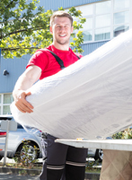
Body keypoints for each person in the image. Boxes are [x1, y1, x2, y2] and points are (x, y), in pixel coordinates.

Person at [13, 10, 88, 179]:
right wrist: (18, 92)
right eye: (58, 26)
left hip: (79, 127)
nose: (62, 29)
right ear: (51, 29)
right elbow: (28, 77)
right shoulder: (43, 56)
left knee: (76, 174)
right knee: (52, 174)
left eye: (65, 26)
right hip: (54, 126)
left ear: (71, 29)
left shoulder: (80, 60)